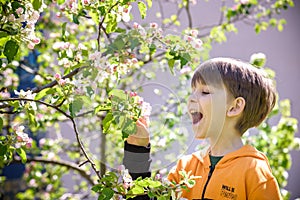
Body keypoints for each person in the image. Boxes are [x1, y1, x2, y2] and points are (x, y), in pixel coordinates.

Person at [123, 57, 282, 199]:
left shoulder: (254, 172)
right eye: (193, 92)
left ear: (234, 107)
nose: (191, 98)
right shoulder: (186, 168)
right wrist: (138, 147)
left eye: (205, 92)